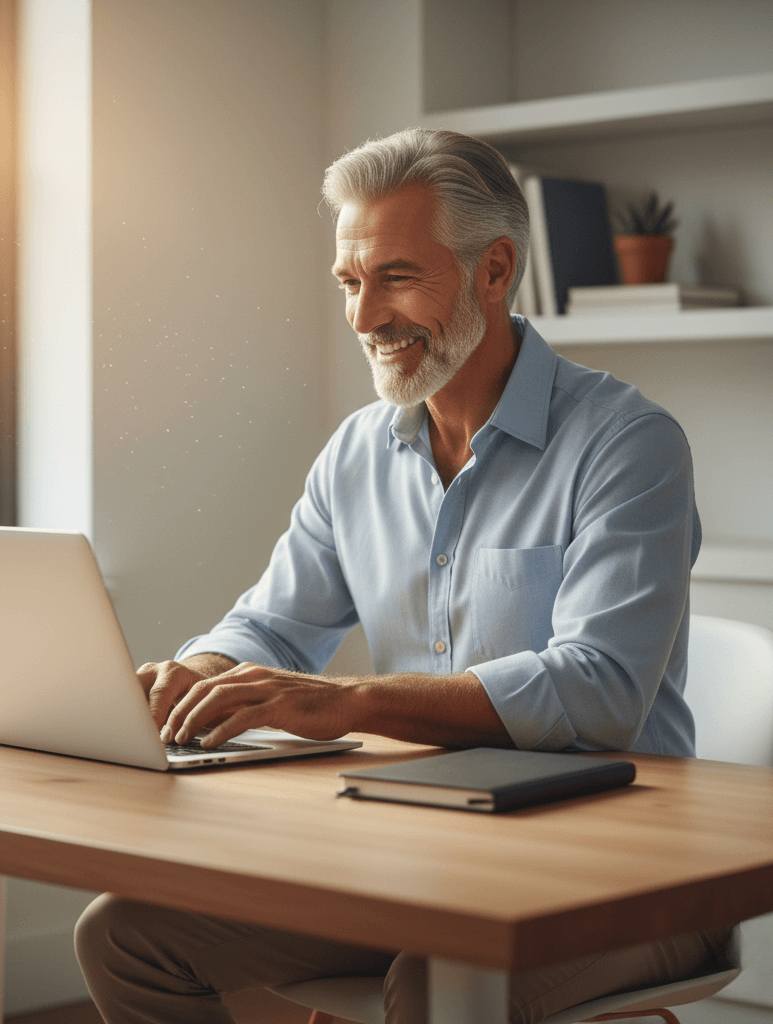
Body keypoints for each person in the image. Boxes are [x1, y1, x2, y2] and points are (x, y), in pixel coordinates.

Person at [74, 129, 731, 1024]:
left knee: (434, 989)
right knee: (126, 937)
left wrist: (343, 703)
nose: (362, 317)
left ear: (494, 271)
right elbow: (271, 626)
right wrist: (203, 671)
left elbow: (603, 689)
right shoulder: (356, 455)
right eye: (351, 282)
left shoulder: (627, 445)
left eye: (395, 277)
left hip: (624, 876)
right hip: (417, 855)